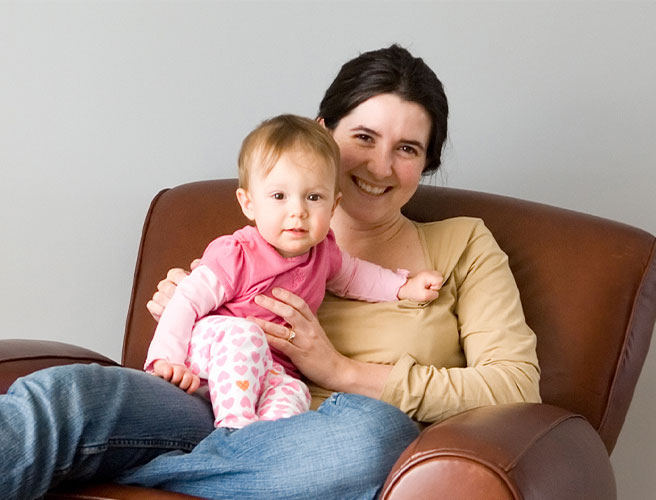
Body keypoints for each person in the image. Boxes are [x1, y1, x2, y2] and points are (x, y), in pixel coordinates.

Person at [0, 44, 540, 500]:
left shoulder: (463, 244)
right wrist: (186, 306)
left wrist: (338, 370)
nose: (380, 166)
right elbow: (208, 316)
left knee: (376, 440)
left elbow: (515, 386)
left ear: (427, 162)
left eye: (407, 149)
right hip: (211, 402)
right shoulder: (262, 229)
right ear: (323, 134)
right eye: (365, 137)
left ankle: (136, 468)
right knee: (72, 394)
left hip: (324, 437)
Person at [147, 113, 443, 429]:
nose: (298, 211)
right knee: (245, 335)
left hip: (269, 369)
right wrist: (167, 360)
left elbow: (357, 277)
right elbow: (185, 300)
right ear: (248, 203)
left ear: (332, 206)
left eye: (313, 197)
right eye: (279, 196)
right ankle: (234, 430)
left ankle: (267, 445)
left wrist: (403, 287)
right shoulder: (237, 253)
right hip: (212, 354)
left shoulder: (324, 252)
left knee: (293, 390)